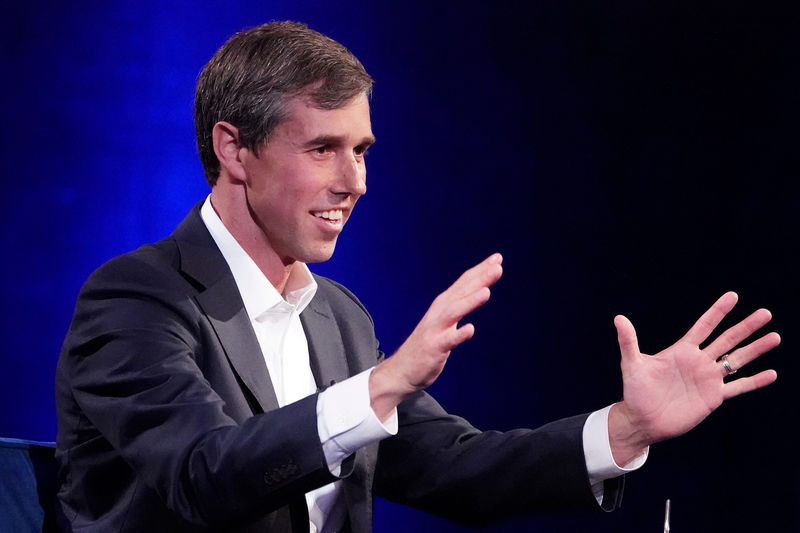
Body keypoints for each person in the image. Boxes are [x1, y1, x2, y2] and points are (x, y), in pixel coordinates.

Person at [55, 21, 780, 533]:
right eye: (324, 148)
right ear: (235, 150)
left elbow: (455, 469)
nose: (356, 181)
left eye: (363, 149)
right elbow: (203, 475)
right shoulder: (136, 299)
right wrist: (375, 389)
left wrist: (622, 429)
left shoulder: (339, 317)